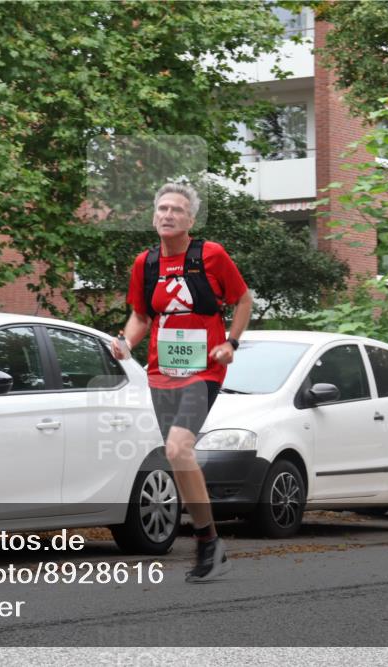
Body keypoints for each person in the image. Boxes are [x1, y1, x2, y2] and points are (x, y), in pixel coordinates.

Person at [111, 182, 252, 583]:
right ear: (153, 216)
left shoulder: (211, 255)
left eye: (177, 209)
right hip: (161, 372)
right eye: (162, 208)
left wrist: (231, 342)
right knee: (177, 457)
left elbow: (243, 299)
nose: (168, 215)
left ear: (191, 219)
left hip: (203, 370)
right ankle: (210, 542)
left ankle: (207, 544)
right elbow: (141, 315)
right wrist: (125, 342)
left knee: (178, 447)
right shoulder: (147, 263)